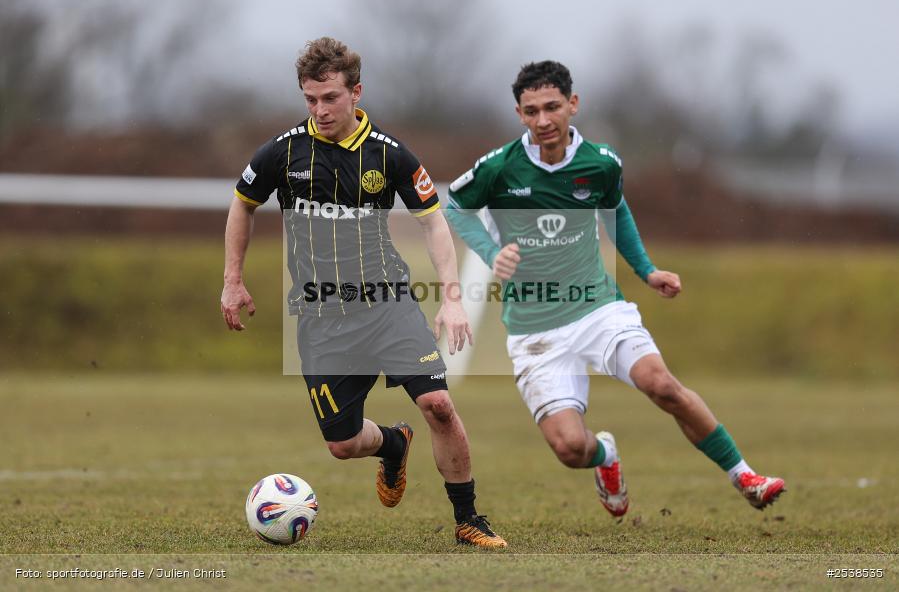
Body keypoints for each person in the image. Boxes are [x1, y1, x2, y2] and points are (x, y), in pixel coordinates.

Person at [445, 60, 784, 517]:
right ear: (519, 114)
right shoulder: (500, 167)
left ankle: (744, 475)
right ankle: (605, 454)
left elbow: (616, 212)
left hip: (597, 308)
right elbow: (455, 208)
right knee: (570, 448)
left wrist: (647, 271)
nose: (543, 120)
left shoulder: (601, 164)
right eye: (531, 111)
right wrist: (491, 253)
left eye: (552, 107)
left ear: (573, 104)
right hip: (534, 328)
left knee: (661, 385)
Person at [221, 37, 506, 548]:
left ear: (356, 92)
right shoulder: (283, 152)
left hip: (387, 303)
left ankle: (468, 520)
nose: (320, 110)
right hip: (321, 317)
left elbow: (433, 222)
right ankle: (393, 445)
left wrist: (452, 298)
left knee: (439, 404)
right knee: (343, 443)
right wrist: (232, 280)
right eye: (310, 99)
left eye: (330, 97)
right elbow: (242, 204)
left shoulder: (389, 155)